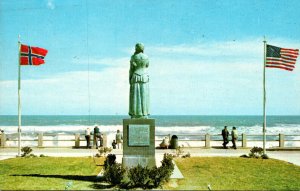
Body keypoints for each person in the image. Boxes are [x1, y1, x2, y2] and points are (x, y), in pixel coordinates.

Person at [129, 43, 150, 118]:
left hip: (135, 76)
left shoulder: (133, 57)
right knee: (144, 95)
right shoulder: (146, 57)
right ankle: (144, 114)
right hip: (144, 76)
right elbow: (147, 65)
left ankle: (135, 114)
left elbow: (131, 69)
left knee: (135, 96)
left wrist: (130, 78)